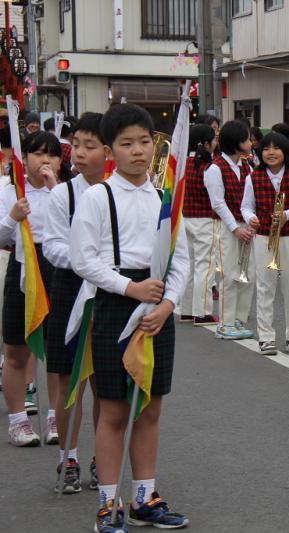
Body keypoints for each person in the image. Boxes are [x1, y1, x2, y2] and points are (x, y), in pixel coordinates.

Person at [69, 103, 190, 531]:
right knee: (116, 410)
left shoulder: (163, 197)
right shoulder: (97, 197)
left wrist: (168, 304)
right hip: (115, 302)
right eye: (126, 144)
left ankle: (144, 496)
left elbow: (181, 259)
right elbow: (83, 260)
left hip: (158, 308)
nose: (138, 152)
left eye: (144, 142)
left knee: (150, 409)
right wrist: (130, 289)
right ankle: (108, 503)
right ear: (108, 151)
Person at [43, 112, 105, 493]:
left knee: (105, 382)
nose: (78, 153)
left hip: (107, 293)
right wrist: (85, 260)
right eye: (76, 145)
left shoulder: (122, 190)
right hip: (71, 288)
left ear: (108, 149)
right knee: (68, 381)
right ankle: (68, 457)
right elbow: (52, 246)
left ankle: (103, 457)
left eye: (89, 146)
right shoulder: (63, 193)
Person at [0, 131, 60, 447]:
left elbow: (80, 231)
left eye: (52, 154)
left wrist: (55, 191)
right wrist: (12, 218)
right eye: (38, 153)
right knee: (16, 350)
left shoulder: (65, 192)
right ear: (25, 160)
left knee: (55, 350)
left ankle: (55, 418)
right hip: (23, 266)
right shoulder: (9, 191)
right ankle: (18, 420)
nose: (45, 160)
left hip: (56, 270)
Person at [241, 132, 289, 356]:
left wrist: (287, 215)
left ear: (285, 151)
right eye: (266, 149)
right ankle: (266, 337)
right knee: (265, 287)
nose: (271, 153)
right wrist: (249, 217)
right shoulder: (253, 176)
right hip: (263, 236)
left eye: (276, 148)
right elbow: (246, 206)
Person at [204, 120, 255, 340]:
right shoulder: (215, 168)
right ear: (236, 142)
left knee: (248, 275)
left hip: (246, 225)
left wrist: (251, 222)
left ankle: (238, 319)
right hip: (226, 227)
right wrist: (235, 228)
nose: (250, 142)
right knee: (229, 275)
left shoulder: (246, 166)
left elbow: (250, 200)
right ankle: (225, 322)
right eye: (246, 138)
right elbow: (217, 203)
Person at [180, 124, 220, 326]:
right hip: (205, 219)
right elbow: (216, 200)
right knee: (205, 265)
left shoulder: (181, 164)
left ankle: (186, 310)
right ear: (206, 143)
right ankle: (202, 312)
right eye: (214, 139)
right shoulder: (209, 167)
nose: (216, 142)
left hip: (184, 217)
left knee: (188, 265)